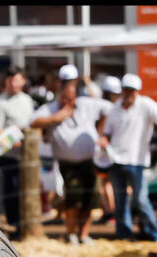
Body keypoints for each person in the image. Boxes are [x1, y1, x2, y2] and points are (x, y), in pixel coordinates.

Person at [30, 65, 112, 245]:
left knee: (91, 197)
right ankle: (71, 233)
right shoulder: (52, 108)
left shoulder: (86, 104)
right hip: (68, 162)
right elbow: (32, 121)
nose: (67, 99)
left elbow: (110, 109)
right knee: (74, 195)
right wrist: (55, 119)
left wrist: (102, 133)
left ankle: (84, 234)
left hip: (90, 160)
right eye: (64, 95)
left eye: (71, 95)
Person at [99, 73, 157, 242]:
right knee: (120, 200)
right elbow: (106, 133)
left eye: (132, 90)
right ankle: (125, 235)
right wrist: (103, 141)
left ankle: (154, 234)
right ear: (122, 90)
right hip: (116, 160)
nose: (129, 93)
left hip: (136, 161)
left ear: (137, 91)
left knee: (141, 199)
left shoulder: (146, 104)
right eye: (126, 90)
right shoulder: (115, 108)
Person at [0, 66, 35, 236]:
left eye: (16, 80)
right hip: (8, 156)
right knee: (11, 193)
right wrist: (9, 140)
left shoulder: (27, 100)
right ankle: (14, 227)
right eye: (9, 80)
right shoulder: (0, 102)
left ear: (23, 81)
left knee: (27, 192)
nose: (12, 84)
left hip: (28, 157)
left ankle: (25, 226)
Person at [93, 76, 122, 224]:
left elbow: (102, 129)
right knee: (110, 182)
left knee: (105, 183)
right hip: (116, 150)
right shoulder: (119, 106)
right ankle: (111, 213)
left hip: (105, 150)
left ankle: (110, 213)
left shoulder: (106, 107)